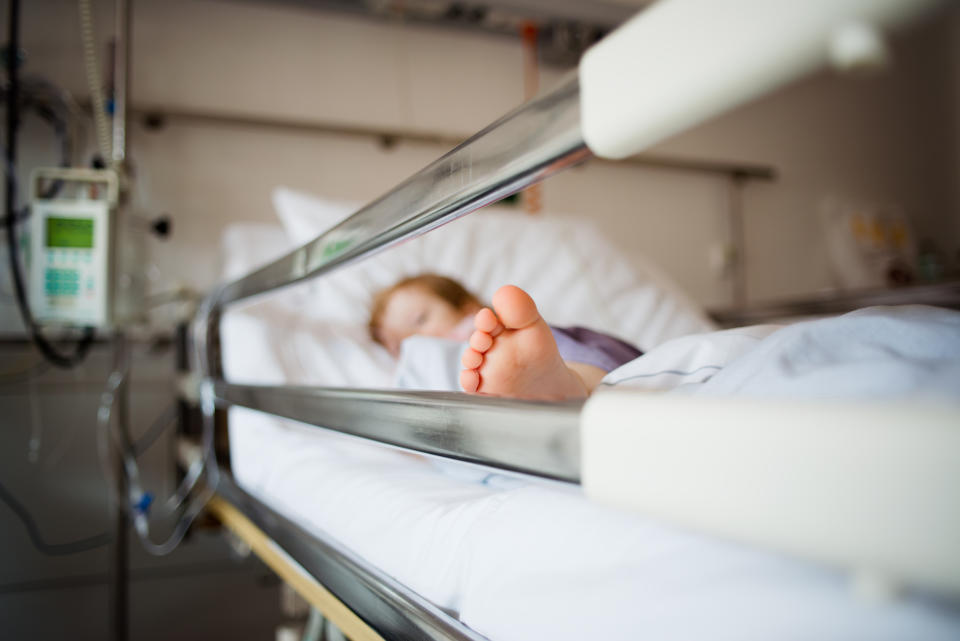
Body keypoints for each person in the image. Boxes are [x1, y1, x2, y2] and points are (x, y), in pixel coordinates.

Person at [369, 274, 642, 400]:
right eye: (399, 344)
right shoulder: (417, 376)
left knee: (533, 348)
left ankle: (570, 385)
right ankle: (548, 394)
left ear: (468, 308)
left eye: (420, 320)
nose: (417, 341)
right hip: (490, 397)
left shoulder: (495, 338)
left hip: (571, 361)